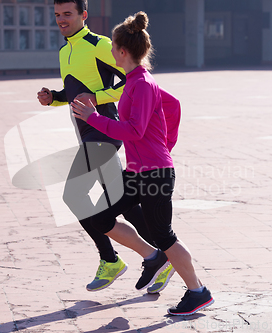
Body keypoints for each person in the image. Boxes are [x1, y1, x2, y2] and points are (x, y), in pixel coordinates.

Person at [71, 11, 214, 316]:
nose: (110, 51)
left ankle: (197, 291)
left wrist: (93, 118)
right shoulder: (135, 81)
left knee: (165, 235)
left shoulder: (142, 84)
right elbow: (172, 105)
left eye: (113, 48)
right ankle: (153, 257)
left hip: (154, 173)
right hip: (139, 171)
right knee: (100, 215)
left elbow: (134, 129)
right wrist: (164, 143)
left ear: (122, 51)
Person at [36, 0, 174, 294]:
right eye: (58, 14)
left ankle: (113, 258)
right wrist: (55, 97)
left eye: (68, 14)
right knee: (123, 203)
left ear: (83, 15)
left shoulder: (100, 45)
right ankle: (165, 256)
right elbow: (76, 91)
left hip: (104, 130)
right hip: (87, 131)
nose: (62, 20)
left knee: (74, 195)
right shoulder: (64, 50)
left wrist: (96, 100)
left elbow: (131, 80)